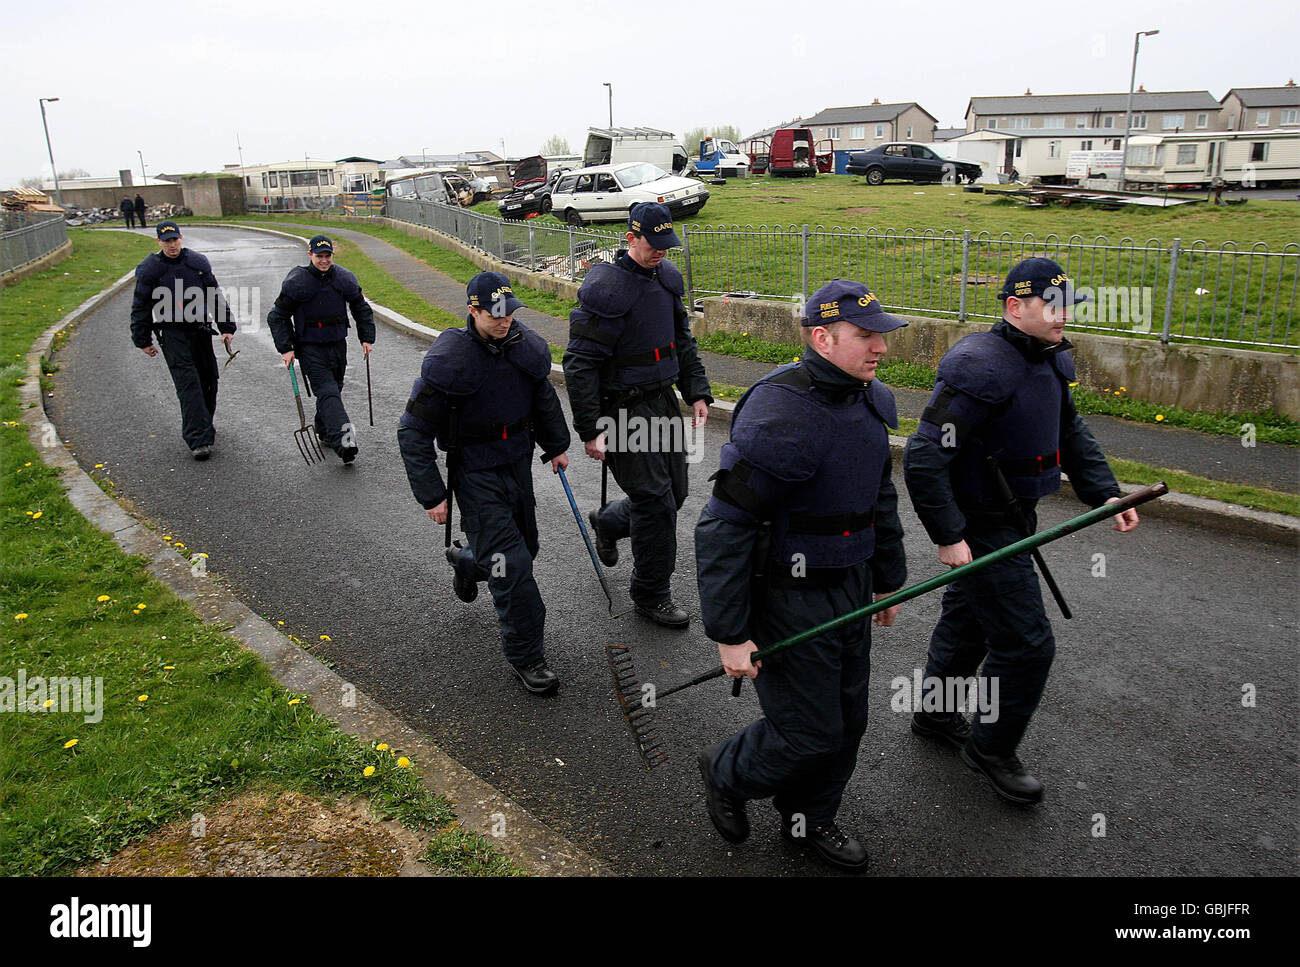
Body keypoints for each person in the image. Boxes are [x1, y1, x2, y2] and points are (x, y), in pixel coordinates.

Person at [903, 257, 1140, 805]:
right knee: (1027, 645)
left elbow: (1068, 428)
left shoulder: (1050, 358)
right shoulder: (979, 367)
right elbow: (923, 455)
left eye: (1067, 307)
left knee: (969, 624)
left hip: (1018, 517)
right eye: (1052, 307)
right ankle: (991, 748)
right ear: (1014, 308)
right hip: (983, 526)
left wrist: (1104, 492)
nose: (1063, 317)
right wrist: (948, 535)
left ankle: (937, 715)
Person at [694, 280, 907, 872]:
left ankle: (808, 819)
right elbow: (724, 529)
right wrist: (731, 632)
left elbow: (879, 498)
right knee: (808, 731)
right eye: (866, 337)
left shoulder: (869, 401)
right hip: (788, 596)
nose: (880, 349)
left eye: (880, 336)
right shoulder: (779, 410)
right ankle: (727, 769)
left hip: (850, 587)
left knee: (848, 722)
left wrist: (887, 577)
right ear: (822, 337)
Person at [398, 272, 571, 694]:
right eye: (494, 314)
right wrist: (433, 494)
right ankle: (527, 656)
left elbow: (543, 398)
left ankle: (467, 561)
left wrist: (557, 444)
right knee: (511, 565)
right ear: (473, 311)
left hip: (517, 463)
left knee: (524, 549)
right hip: (473, 474)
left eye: (509, 312)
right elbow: (412, 432)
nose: (504, 320)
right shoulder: (450, 362)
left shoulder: (524, 349)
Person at [562, 202, 712, 628]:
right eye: (654, 244)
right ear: (631, 238)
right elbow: (580, 364)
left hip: (662, 402)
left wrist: (696, 391)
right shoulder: (606, 291)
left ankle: (608, 522)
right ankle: (650, 593)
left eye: (667, 243)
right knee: (656, 503)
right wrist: (590, 429)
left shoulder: (666, 279)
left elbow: (682, 342)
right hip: (624, 410)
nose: (662, 252)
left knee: (675, 495)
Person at [129, 220, 237, 459]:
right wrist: (142, 339)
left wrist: (226, 327)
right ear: (159, 242)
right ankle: (198, 439)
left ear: (181, 238)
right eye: (166, 241)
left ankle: (203, 424)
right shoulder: (151, 269)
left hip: (199, 330)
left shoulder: (196, 264)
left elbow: (214, 296)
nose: (172, 245)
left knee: (209, 380)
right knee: (188, 384)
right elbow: (141, 306)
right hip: (172, 333)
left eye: (174, 239)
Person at [267, 235, 375, 464]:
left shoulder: (344, 279)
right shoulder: (298, 282)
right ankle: (345, 441)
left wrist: (367, 337)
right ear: (310, 255)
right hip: (310, 348)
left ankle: (324, 429)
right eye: (319, 256)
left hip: (337, 344)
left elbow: (360, 306)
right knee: (327, 391)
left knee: (334, 388)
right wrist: (286, 348)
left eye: (328, 256)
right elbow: (277, 316)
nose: (324, 260)